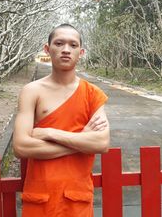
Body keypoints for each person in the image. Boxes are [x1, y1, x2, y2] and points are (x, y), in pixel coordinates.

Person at [13, 23, 110, 217]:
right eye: (59, 43)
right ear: (47, 49)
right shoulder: (32, 91)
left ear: (81, 52)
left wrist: (50, 133)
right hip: (40, 196)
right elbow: (21, 147)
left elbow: (101, 143)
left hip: (77, 197)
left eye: (73, 45)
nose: (66, 50)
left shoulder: (92, 94)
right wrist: (82, 141)